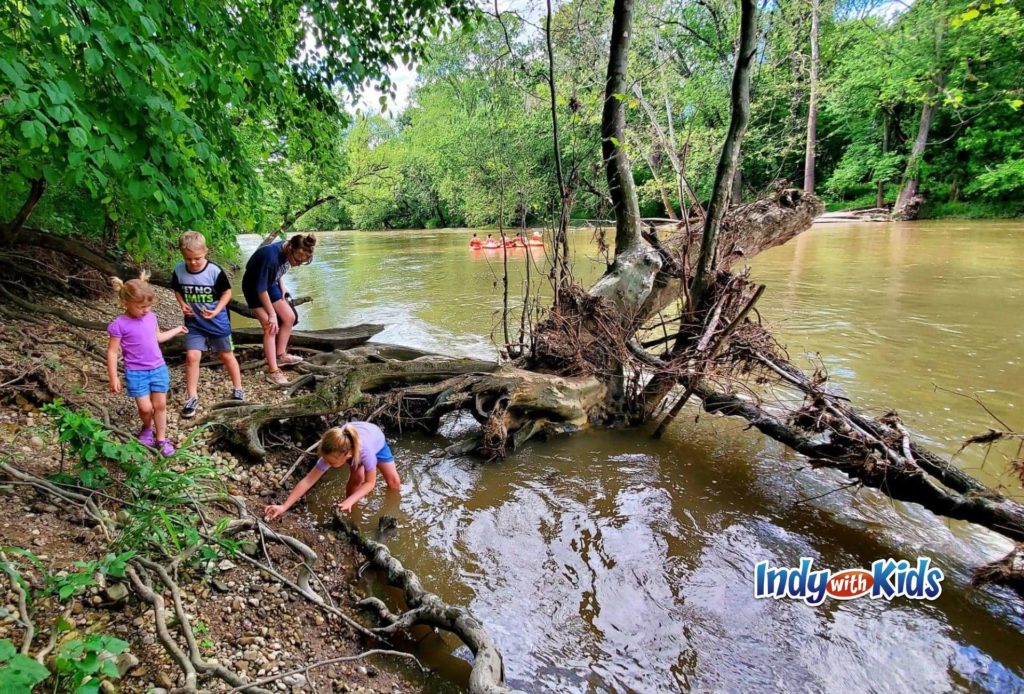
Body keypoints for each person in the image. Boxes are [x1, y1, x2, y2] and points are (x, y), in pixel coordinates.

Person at [106, 272, 187, 456]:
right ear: (125, 303)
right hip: (136, 372)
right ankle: (147, 427)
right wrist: (113, 377)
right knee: (145, 407)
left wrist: (176, 330)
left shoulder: (152, 318)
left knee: (160, 405)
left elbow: (157, 338)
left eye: (149, 306)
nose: (146, 310)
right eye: (141, 306)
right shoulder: (119, 325)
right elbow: (112, 352)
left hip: (158, 368)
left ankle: (161, 438)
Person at [171, 231, 244, 419]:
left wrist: (217, 309)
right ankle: (192, 397)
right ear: (182, 255)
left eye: (197, 258)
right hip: (194, 322)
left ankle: (238, 388)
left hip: (217, 322)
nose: (193, 262)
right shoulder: (179, 270)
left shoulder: (214, 271)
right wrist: (182, 304)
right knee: (192, 356)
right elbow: (177, 290)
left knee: (226, 355)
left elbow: (227, 293)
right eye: (189, 259)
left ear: (206, 252)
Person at [263, 421, 401, 520]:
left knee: (394, 482)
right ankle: (350, 511)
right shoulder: (333, 452)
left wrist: (351, 500)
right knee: (357, 478)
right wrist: (283, 507)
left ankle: (390, 513)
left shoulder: (367, 453)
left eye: (331, 462)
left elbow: (370, 483)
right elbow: (307, 481)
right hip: (352, 443)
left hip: (376, 441)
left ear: (346, 455)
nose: (327, 464)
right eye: (326, 460)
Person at [241, 233, 316, 385]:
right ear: (290, 248)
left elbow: (277, 269)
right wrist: (272, 314)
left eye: (302, 262)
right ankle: (273, 371)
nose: (297, 264)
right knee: (270, 327)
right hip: (255, 288)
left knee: (289, 318)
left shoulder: (291, 244)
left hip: (270, 283)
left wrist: (282, 284)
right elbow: (261, 289)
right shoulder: (270, 257)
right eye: (297, 260)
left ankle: (281, 355)